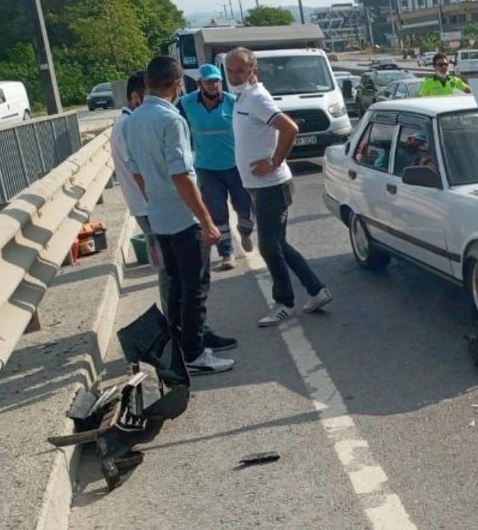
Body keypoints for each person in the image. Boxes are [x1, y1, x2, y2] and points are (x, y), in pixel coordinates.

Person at [123, 56, 234, 375]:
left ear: (146, 84)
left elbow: (136, 172)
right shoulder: (172, 121)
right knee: (196, 285)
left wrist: (155, 199)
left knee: (175, 285)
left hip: (159, 213)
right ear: (177, 85)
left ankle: (178, 344)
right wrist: (207, 221)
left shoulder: (133, 120)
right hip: (183, 218)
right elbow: (182, 175)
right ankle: (195, 352)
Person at [224, 47, 332, 327]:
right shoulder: (242, 97)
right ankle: (317, 289)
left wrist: (273, 162)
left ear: (253, 71)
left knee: (269, 247)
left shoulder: (257, 97)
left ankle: (284, 303)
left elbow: (290, 128)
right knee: (278, 244)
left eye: (240, 70)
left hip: (272, 185)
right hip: (261, 186)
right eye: (230, 70)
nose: (234, 75)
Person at [178, 63, 254, 272]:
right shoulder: (185, 104)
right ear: (199, 82)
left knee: (244, 207)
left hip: (234, 165)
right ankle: (226, 253)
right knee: (217, 213)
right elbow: (176, 129)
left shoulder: (233, 102)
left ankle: (246, 229)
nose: (214, 85)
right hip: (206, 168)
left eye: (217, 80)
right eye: (209, 81)